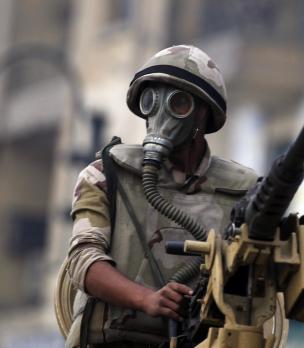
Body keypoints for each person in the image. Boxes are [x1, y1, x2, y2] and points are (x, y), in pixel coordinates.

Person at [65, 45, 258, 348]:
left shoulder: (244, 192)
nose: (160, 114)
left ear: (203, 113)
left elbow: (260, 283)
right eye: (150, 100)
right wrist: (147, 299)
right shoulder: (106, 175)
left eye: (178, 103)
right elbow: (83, 261)